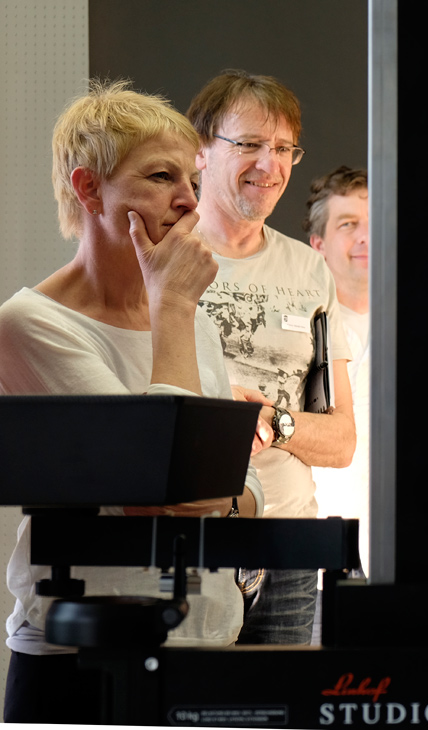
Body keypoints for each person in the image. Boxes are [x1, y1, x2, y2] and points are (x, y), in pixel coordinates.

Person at [0, 80, 264, 723]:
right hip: (83, 660)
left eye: (191, 178)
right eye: (159, 176)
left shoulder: (186, 312)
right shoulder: (31, 322)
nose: (188, 200)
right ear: (89, 188)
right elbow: (154, 487)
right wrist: (171, 304)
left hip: (210, 637)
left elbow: (241, 486)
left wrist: (221, 493)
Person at [187, 70, 356, 645]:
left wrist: (274, 422)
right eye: (250, 145)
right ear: (200, 151)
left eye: (283, 148)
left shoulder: (310, 272)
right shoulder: (159, 256)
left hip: (288, 547)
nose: (271, 163)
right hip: (191, 544)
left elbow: (341, 442)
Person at [303, 165, 428, 573]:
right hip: (302, 566)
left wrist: (423, 550)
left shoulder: (422, 333)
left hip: (393, 570)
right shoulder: (295, 329)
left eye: (374, 223)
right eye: (348, 224)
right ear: (317, 245)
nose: (364, 236)